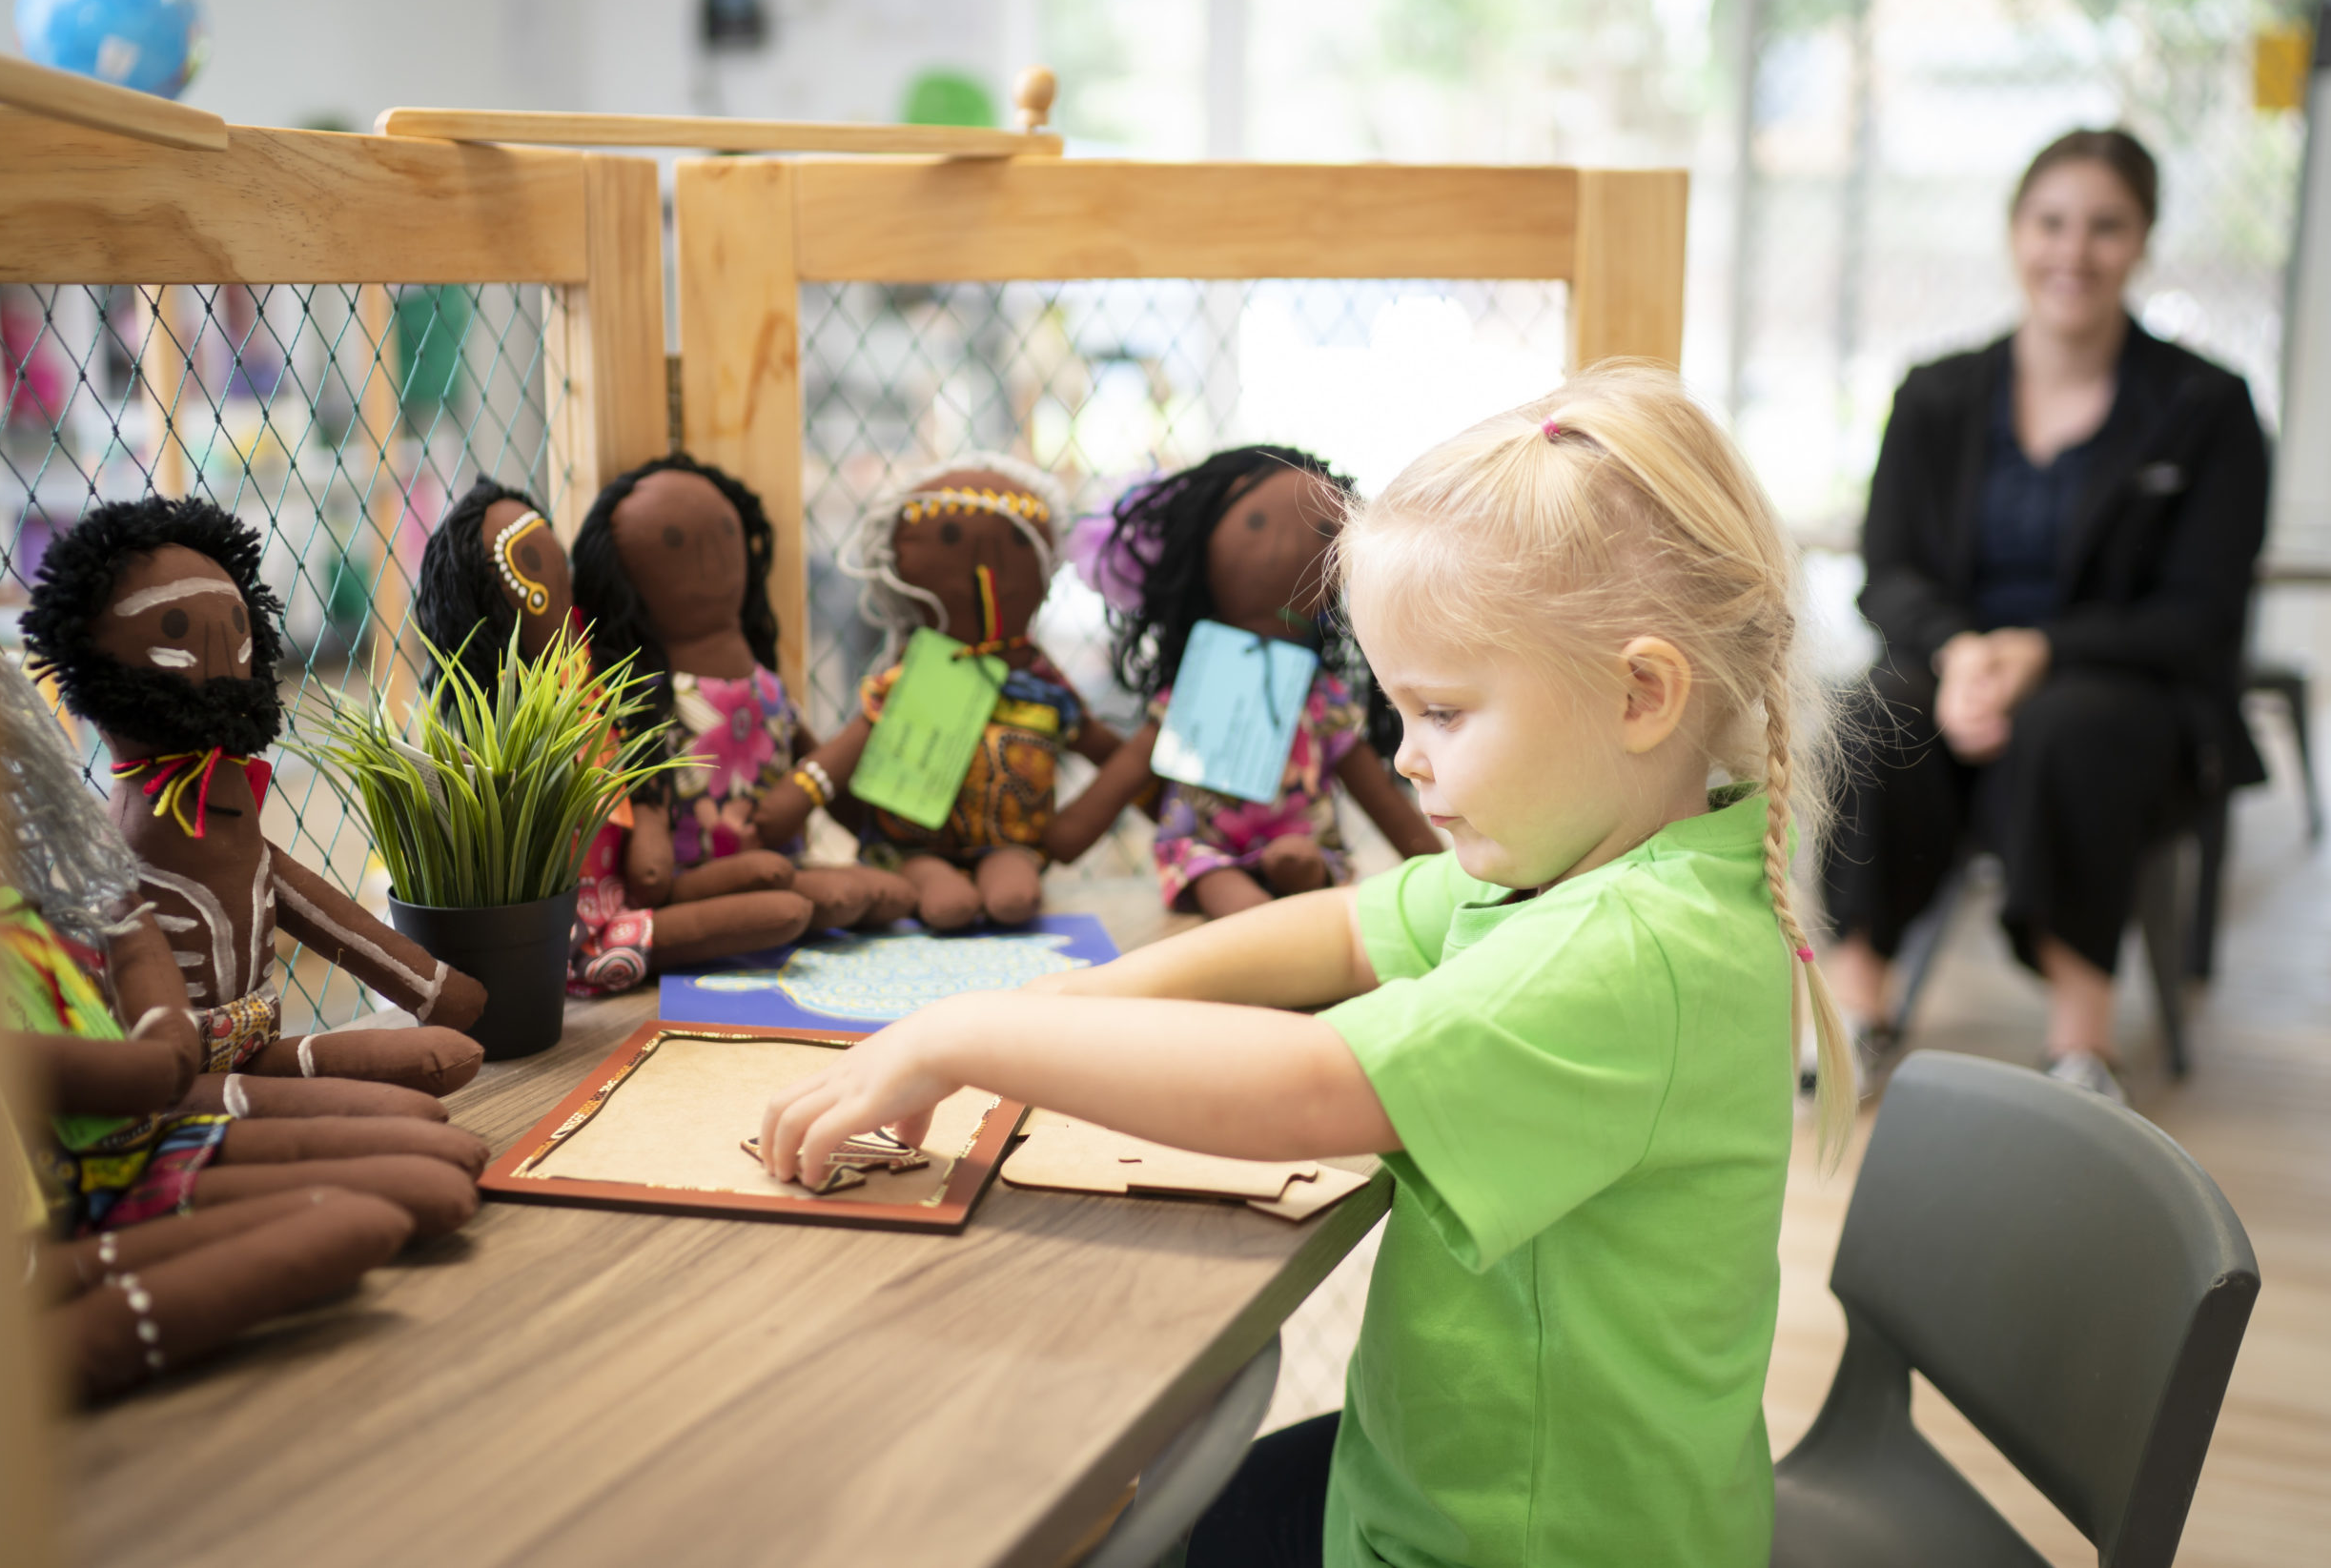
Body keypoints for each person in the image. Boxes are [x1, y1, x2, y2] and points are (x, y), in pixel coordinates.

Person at [756, 363, 1854, 1567]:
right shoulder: (1598, 855)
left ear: (1640, 694)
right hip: (1452, 1473)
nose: (1405, 758)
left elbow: (1306, 1085)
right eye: (1392, 710)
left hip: (1524, 1539)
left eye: (1442, 712)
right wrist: (1069, 1000)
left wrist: (964, 1037)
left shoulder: (1631, 947)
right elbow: (1341, 927)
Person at [1823, 128, 2270, 1103]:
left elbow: (2197, 614)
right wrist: (1961, 652)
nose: (2073, 252)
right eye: (2051, 223)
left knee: (2071, 730)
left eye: (2105, 227)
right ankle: (1858, 1006)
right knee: (1872, 712)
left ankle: (2081, 1044)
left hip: (2124, 692)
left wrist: (2041, 651)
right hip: (1959, 667)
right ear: (2014, 231)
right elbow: (1886, 571)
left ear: (2142, 240)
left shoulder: (2209, 409)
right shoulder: (1935, 396)